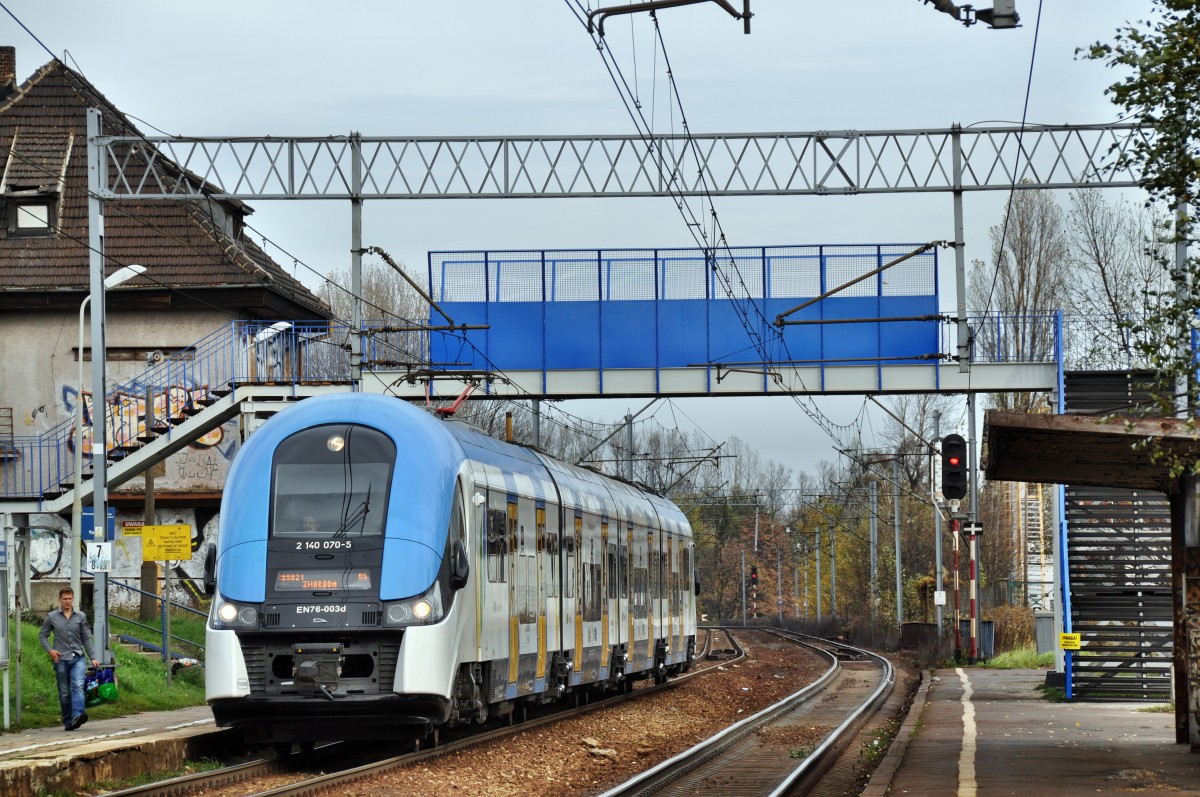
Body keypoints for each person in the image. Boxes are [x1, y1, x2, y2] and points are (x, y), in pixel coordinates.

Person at [39, 587, 100, 731]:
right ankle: (68, 721)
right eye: (65, 599)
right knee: (65, 692)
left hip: (78, 657)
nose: (67, 602)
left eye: (70, 599)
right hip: (60, 659)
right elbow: (42, 635)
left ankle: (78, 714)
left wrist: (93, 657)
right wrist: (50, 650)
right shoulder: (52, 617)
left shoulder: (80, 616)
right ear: (60, 600)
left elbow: (86, 637)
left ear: (73, 599)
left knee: (77, 686)